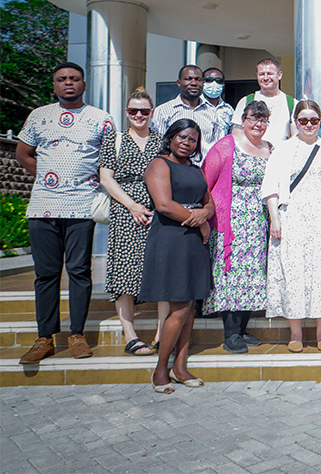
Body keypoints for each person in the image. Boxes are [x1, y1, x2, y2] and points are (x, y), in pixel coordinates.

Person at [17, 62, 115, 364]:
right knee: (46, 274)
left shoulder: (101, 119)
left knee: (79, 272)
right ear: (54, 85)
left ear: (83, 84)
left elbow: (109, 159)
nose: (68, 83)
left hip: (81, 207)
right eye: (62, 79)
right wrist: (47, 175)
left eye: (74, 79)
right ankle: (44, 338)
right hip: (43, 207)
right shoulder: (39, 116)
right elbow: (23, 153)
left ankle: (76, 335)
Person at [263, 101, 321, 352]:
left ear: (320, 122)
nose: (309, 125)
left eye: (313, 120)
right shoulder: (284, 150)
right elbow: (270, 187)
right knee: (294, 271)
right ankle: (296, 333)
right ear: (295, 122)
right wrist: (274, 218)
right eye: (303, 120)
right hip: (293, 215)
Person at [139, 119, 214, 393]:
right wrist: (201, 221)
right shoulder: (160, 164)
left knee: (190, 305)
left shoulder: (194, 168)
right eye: (182, 137)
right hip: (172, 239)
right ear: (171, 137)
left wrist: (205, 214)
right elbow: (164, 204)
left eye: (192, 139)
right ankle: (160, 370)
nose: (187, 142)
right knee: (180, 306)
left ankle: (180, 367)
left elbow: (209, 200)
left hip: (193, 242)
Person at [202, 101, 272, 353]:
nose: (258, 124)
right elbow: (206, 182)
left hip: (259, 222)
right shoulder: (226, 145)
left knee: (252, 275)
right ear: (243, 120)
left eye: (263, 120)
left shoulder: (269, 149)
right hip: (231, 221)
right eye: (253, 119)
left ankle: (242, 328)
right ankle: (230, 333)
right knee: (231, 275)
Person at [98, 87, 162, 356]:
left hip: (158, 209)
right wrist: (132, 205)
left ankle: (162, 333)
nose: (138, 115)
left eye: (144, 111)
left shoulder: (161, 141)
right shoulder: (114, 139)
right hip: (125, 210)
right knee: (125, 270)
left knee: (160, 270)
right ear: (126, 113)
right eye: (133, 110)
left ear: (152, 113)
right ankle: (130, 334)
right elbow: (106, 178)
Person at [152, 65, 226, 161]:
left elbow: (217, 147)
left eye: (198, 79)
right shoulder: (163, 111)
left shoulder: (212, 112)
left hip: (204, 172)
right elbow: (159, 146)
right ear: (179, 83)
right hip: (176, 170)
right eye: (188, 79)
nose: (193, 83)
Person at [232, 58, 294, 145]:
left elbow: (296, 136)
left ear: (279, 75)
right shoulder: (246, 101)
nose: (265, 78)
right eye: (261, 74)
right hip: (253, 156)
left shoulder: (292, 104)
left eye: (270, 74)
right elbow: (236, 134)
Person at [201, 67, 235, 137]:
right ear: (202, 82)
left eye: (218, 81)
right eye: (208, 80)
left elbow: (232, 135)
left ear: (223, 84)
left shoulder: (228, 110)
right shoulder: (196, 106)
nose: (214, 83)